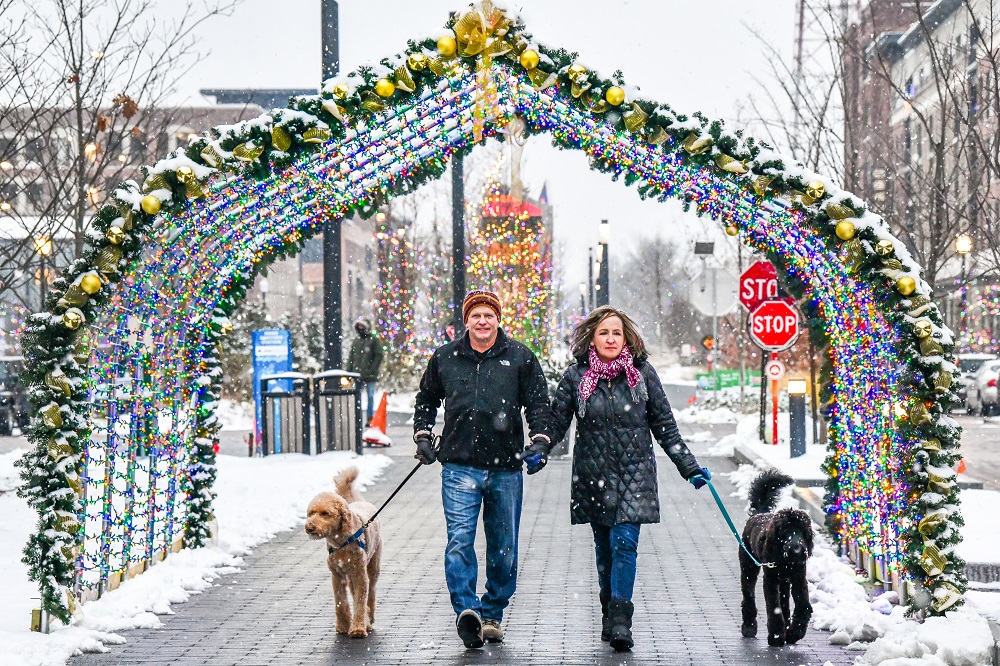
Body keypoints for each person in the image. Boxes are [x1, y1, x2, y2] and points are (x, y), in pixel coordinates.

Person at [526, 305, 710, 653]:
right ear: (591, 339)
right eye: (603, 333)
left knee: (625, 545)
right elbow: (555, 422)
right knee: (605, 552)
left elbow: (665, 427)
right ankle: (608, 615)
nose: (610, 339)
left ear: (626, 338)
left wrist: (690, 467)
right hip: (593, 475)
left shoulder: (642, 375)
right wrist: (540, 447)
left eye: (616, 333)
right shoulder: (576, 377)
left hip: (634, 474)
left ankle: (622, 621)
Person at [412, 289, 551, 649]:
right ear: (466, 320)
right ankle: (466, 611)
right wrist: (424, 436)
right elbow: (426, 398)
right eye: (476, 315)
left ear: (498, 319)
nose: (483, 321)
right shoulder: (446, 357)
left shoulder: (519, 357)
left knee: (504, 546)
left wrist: (539, 441)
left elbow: (538, 402)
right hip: (458, 466)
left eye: (489, 314)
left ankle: (492, 612)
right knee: (460, 541)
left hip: (506, 469)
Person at [346, 319, 383, 423]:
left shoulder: (373, 340)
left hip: (369, 375)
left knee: (370, 397)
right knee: (357, 396)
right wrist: (348, 372)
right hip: (357, 374)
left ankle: (369, 418)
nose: (361, 329)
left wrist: (371, 370)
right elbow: (351, 357)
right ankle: (357, 418)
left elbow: (378, 356)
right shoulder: (356, 341)